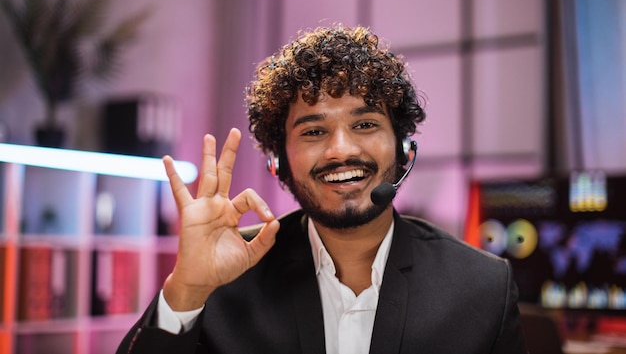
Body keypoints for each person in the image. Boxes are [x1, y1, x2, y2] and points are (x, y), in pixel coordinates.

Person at [116, 25, 528, 354]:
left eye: (364, 124)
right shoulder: (226, 275)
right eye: (314, 131)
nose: (341, 150)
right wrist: (187, 290)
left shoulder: (481, 288)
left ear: (403, 147)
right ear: (278, 161)